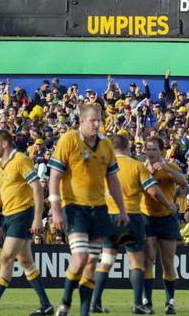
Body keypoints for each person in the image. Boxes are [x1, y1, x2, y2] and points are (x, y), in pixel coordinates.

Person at [48, 104, 129, 316]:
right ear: (81, 121)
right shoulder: (69, 140)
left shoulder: (106, 146)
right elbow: (54, 176)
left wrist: (122, 209)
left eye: (99, 120)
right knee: (81, 257)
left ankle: (84, 312)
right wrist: (55, 209)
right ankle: (65, 301)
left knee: (92, 261)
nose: (96, 124)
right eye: (92, 120)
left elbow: (113, 180)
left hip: (99, 209)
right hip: (74, 207)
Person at [90, 134, 177, 315]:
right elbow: (153, 191)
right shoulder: (136, 166)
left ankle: (95, 302)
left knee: (106, 260)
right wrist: (169, 205)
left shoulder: (104, 166)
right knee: (137, 261)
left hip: (108, 217)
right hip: (130, 216)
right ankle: (138, 304)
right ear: (128, 147)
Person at [0, 129, 52, 316]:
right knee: (26, 261)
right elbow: (1, 190)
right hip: (8, 215)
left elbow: (37, 188)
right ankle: (46, 305)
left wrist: (37, 218)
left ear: (5, 144)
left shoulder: (21, 159)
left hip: (22, 214)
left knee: (5, 257)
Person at [141, 135, 187, 314]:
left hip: (167, 218)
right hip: (147, 217)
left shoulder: (170, 166)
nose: (151, 152)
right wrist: (149, 173)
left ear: (161, 151)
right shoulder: (141, 168)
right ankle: (147, 301)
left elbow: (183, 182)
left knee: (168, 262)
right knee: (148, 260)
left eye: (154, 149)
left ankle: (170, 302)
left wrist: (167, 169)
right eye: (148, 149)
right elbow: (136, 188)